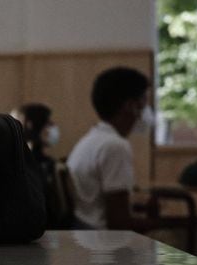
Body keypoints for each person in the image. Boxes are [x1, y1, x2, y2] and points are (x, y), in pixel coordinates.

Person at [67, 67, 158, 231]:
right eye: (144, 101)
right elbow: (119, 225)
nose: (147, 111)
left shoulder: (91, 140)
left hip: (85, 235)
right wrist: (164, 224)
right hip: (102, 244)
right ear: (130, 106)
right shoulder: (115, 147)